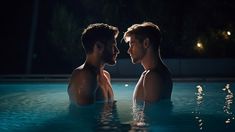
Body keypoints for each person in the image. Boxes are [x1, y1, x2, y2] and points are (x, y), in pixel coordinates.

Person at [68, 23, 119, 106]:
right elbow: (85, 117)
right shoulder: (85, 76)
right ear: (99, 47)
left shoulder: (106, 75)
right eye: (113, 46)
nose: (117, 51)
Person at [123, 22, 173, 106]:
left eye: (132, 44)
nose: (129, 50)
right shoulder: (154, 73)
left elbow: (149, 117)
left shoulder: (152, 77)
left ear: (146, 43)